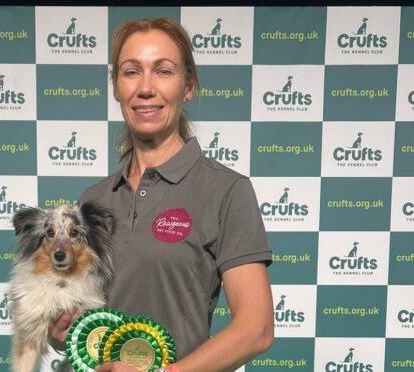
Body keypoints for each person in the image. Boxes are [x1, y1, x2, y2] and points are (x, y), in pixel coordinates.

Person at [50, 17, 273, 372]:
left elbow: (256, 330)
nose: (146, 88)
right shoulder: (92, 200)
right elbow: (83, 320)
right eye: (131, 71)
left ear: (188, 86)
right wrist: (62, 330)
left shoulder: (227, 190)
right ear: (116, 87)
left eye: (164, 71)